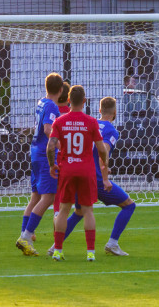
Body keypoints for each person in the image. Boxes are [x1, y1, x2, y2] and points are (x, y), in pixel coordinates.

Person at [56, 96, 137, 257]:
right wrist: (105, 177)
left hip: (80, 172)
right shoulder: (111, 130)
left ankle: (55, 246)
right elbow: (103, 153)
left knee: (78, 212)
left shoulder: (90, 123)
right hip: (96, 179)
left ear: (99, 110)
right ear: (115, 112)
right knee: (129, 205)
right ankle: (112, 243)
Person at [46, 85, 110, 262]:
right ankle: (90, 253)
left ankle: (58, 250)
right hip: (86, 170)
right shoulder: (91, 122)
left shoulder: (59, 121)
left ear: (68, 100)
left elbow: (50, 146)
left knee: (64, 209)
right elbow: (101, 148)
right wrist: (105, 163)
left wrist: (52, 165)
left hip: (67, 169)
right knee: (88, 210)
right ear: (84, 101)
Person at [16, 73, 65, 256]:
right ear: (61, 90)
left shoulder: (41, 102)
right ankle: (26, 237)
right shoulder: (52, 105)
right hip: (45, 154)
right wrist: (60, 144)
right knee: (49, 197)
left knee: (35, 196)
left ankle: (25, 234)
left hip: (35, 151)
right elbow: (47, 128)